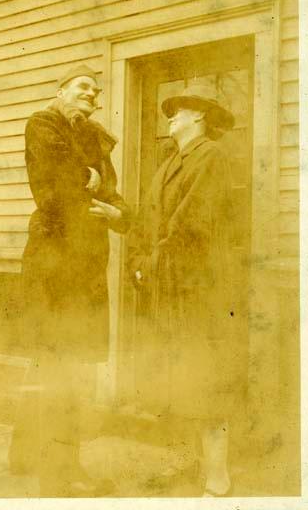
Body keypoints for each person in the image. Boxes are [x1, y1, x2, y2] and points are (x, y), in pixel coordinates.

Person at [10, 64, 130, 497]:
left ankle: (24, 456)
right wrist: (92, 181)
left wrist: (119, 212)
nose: (93, 95)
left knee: (55, 362)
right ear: (59, 91)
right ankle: (62, 476)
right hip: (55, 266)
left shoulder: (90, 133)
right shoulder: (43, 124)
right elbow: (57, 187)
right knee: (63, 368)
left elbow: (112, 192)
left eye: (97, 92)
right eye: (83, 87)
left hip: (85, 264)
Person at [128, 83, 243, 497]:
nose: (171, 115)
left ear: (200, 117)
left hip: (199, 285)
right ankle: (195, 465)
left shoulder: (211, 156)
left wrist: (152, 262)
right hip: (168, 282)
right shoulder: (169, 163)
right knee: (181, 377)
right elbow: (147, 219)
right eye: (171, 110)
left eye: (180, 110)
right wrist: (139, 262)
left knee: (207, 377)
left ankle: (218, 472)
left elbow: (191, 220)